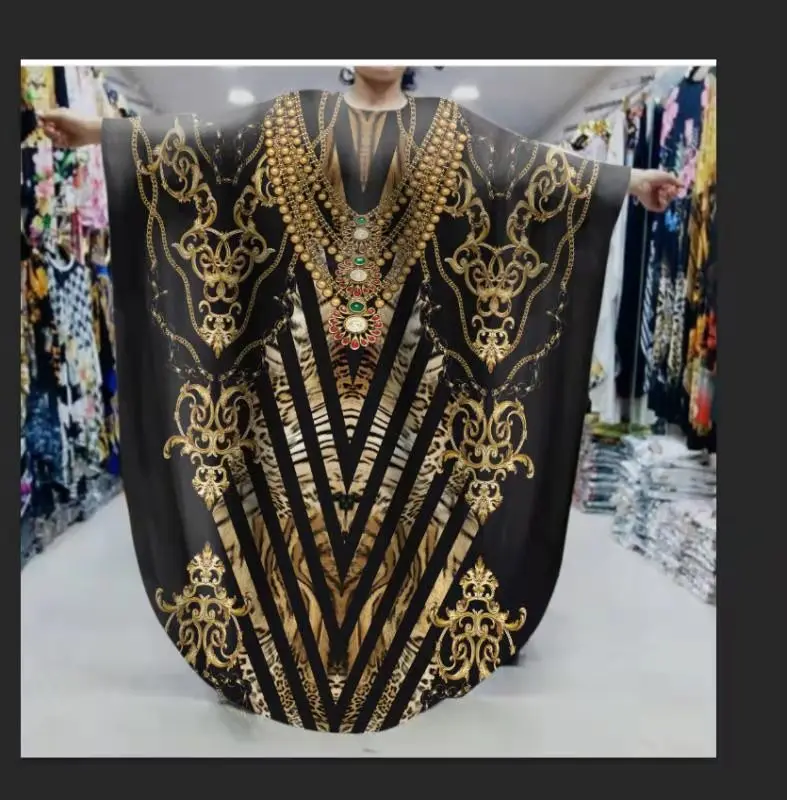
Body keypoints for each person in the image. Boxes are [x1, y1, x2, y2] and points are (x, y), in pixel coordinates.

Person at [40, 66, 679, 733]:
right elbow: (202, 146)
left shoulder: (449, 131)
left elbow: (530, 174)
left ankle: (391, 660)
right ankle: (288, 657)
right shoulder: (289, 120)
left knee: (400, 527)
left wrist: (629, 181)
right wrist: (98, 133)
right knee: (292, 525)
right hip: (299, 390)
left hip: (406, 389)